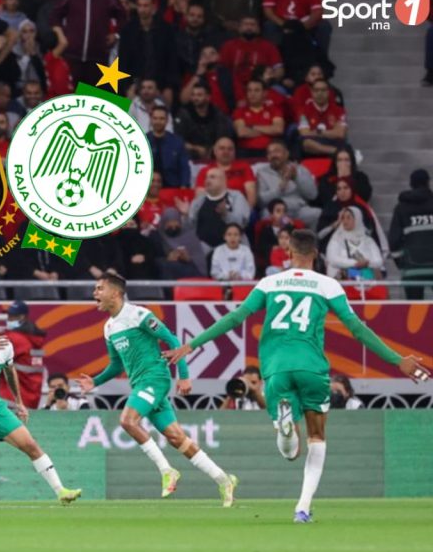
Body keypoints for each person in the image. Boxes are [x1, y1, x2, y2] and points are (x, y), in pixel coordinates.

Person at [164, 230, 429, 523]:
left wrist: (191, 345)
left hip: (276, 368)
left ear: (289, 253)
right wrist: (397, 360)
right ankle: (302, 507)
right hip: (312, 367)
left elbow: (235, 318)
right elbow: (357, 328)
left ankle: (285, 425)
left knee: (290, 452)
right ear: (315, 254)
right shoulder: (328, 285)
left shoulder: (269, 283)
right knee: (317, 437)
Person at [78, 275, 237, 504]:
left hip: (155, 379)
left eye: (99, 288)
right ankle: (224, 480)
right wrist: (95, 381)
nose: (95, 293)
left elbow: (173, 340)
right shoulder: (109, 328)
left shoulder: (139, 315)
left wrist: (184, 376)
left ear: (116, 293)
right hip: (141, 384)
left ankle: (166, 470)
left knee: (128, 421)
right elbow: (116, 364)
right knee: (176, 437)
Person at [0, 308, 82, 508]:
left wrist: (19, 402)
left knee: (30, 444)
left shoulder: (5, 347)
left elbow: (9, 371)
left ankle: (61, 491)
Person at [50, 0, 126, 86]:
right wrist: (61, 36)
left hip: (98, 58)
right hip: (72, 56)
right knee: (72, 92)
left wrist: (116, 35)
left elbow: (122, 16)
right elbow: (55, 16)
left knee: (92, 94)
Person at [117, 0, 178, 98]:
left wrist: (169, 87)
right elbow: (123, 62)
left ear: (153, 8)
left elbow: (171, 60)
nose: (142, 9)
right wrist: (127, 87)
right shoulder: (128, 31)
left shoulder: (166, 30)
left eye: (146, 6)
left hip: (160, 85)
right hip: (135, 84)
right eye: (139, 6)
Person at [255, 140, 320, 229]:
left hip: (298, 210)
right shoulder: (262, 173)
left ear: (286, 154)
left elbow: (313, 195)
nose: (273, 155)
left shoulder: (300, 169)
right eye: (270, 153)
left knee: (317, 214)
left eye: (277, 151)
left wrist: (296, 178)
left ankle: (310, 238)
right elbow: (261, 201)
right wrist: (280, 189)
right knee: (266, 215)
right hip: (275, 211)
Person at [389, 169, 433, 299]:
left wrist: (402, 263)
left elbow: (394, 240)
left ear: (411, 184)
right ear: (428, 182)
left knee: (414, 309)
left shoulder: (401, 208)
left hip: (412, 268)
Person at [0, 300, 46, 410]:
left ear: (22, 317)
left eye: (11, 317)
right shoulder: (34, 339)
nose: (8, 320)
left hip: (10, 399)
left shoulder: (15, 339)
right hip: (30, 401)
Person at [188, 168, 251, 250]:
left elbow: (242, 223)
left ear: (223, 181)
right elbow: (191, 228)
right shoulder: (199, 200)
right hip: (204, 249)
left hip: (231, 248)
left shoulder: (236, 197)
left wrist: (226, 214)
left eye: (212, 177)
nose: (207, 180)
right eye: (206, 177)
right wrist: (186, 215)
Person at [175, 83, 235, 161]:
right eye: (193, 95)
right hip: (191, 152)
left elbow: (222, 137)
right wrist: (197, 148)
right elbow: (178, 140)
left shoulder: (217, 113)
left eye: (199, 95)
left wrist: (210, 151)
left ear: (208, 97)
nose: (195, 98)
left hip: (213, 152)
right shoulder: (183, 114)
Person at [325, 208, 383, 281]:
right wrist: (355, 263)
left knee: (374, 274)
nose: (345, 221)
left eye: (348, 218)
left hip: (366, 276)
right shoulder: (336, 239)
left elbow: (378, 261)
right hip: (343, 279)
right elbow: (332, 259)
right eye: (343, 218)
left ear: (357, 219)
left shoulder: (368, 240)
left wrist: (367, 263)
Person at [233, 79, 285, 159]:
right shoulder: (239, 111)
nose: (252, 94)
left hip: (269, 151)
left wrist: (252, 127)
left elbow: (278, 129)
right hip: (246, 151)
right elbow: (241, 132)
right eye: (249, 90)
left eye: (256, 90)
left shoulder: (274, 110)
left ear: (265, 93)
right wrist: (269, 130)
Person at [296, 79, 347, 157]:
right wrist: (331, 133)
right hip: (313, 144)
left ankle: (334, 151)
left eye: (323, 90)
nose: (320, 93)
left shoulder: (339, 110)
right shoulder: (303, 111)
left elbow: (340, 133)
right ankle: (335, 151)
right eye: (316, 90)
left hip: (332, 142)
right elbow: (304, 133)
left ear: (328, 92)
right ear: (311, 92)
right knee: (306, 142)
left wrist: (318, 132)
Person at [153, 207, 207, 280]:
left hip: (190, 269)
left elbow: (199, 260)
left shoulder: (189, 235)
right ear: (164, 223)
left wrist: (188, 258)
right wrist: (168, 258)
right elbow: (153, 259)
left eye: (176, 222)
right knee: (165, 265)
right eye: (170, 222)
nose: (173, 226)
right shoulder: (157, 236)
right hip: (166, 269)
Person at [147, 106, 190, 188]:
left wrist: (184, 186)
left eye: (161, 119)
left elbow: (184, 167)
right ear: (151, 119)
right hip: (147, 187)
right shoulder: (142, 140)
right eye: (155, 118)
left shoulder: (177, 142)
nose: (158, 122)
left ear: (167, 120)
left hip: (172, 186)